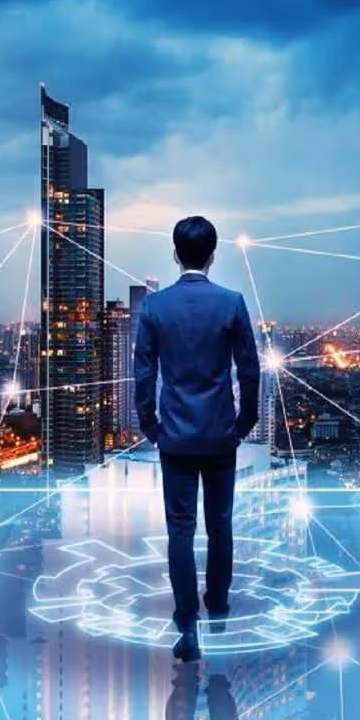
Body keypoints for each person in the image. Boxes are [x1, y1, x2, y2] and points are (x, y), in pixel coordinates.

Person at [134, 215, 261, 662]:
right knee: (220, 524)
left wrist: (151, 427)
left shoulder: (154, 307)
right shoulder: (231, 303)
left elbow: (144, 375)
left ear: (175, 254)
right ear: (212, 254)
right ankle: (219, 608)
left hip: (175, 437)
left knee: (180, 531)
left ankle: (186, 624)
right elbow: (248, 370)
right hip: (220, 435)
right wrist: (245, 423)